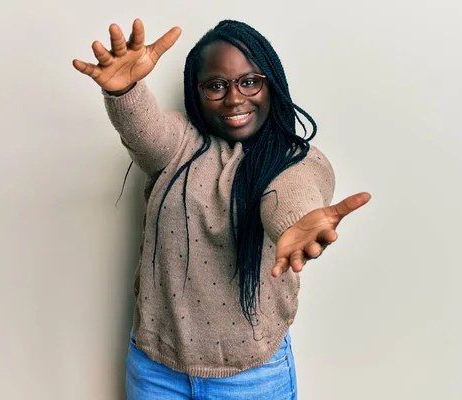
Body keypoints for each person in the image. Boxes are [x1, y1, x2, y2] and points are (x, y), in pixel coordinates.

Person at [73, 18, 370, 399]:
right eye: (216, 86)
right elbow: (145, 130)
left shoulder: (296, 158)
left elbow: (291, 194)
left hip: (251, 376)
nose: (234, 98)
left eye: (249, 82)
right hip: (155, 371)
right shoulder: (179, 143)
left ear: (271, 84)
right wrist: (126, 89)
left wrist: (297, 224)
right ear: (196, 93)